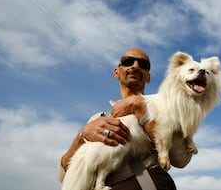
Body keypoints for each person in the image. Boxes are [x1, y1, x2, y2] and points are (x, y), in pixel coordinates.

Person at [58, 48, 193, 190]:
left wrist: (143, 112)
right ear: (116, 72)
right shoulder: (98, 119)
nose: (135, 66)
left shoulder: (165, 108)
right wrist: (82, 136)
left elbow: (181, 159)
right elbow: (64, 175)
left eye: (143, 64)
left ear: (148, 77)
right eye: (128, 62)